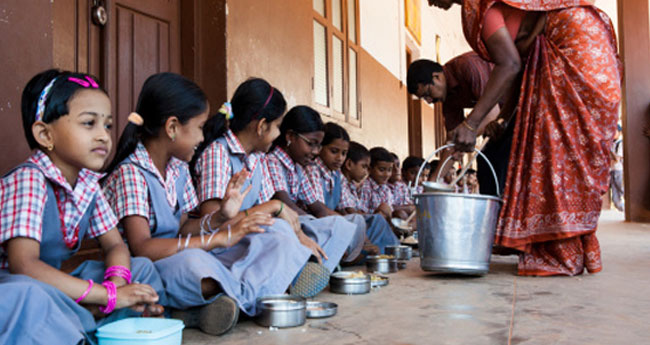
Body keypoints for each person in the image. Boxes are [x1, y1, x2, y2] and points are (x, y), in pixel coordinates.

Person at [428, 0, 622, 276]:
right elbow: (523, 66)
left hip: (574, 49)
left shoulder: (487, 12)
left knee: (553, 151)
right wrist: (503, 120)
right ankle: (567, 247)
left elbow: (510, 65)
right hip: (593, 48)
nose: (429, 2)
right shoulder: (500, 10)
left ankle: (559, 252)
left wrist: (472, 125)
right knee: (566, 155)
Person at [1, 69, 164, 344]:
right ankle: (88, 320)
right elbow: (24, 265)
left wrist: (117, 285)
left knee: (142, 268)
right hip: (14, 287)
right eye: (89, 123)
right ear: (44, 134)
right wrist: (107, 297)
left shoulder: (88, 183)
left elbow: (115, 245)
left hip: (56, 285)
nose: (103, 136)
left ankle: (88, 323)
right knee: (29, 297)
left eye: (108, 125)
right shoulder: (29, 178)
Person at [192, 78, 328, 300]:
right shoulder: (218, 153)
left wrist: (299, 234)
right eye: (277, 127)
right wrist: (275, 207)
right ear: (261, 126)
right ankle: (250, 292)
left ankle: (280, 278)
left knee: (289, 229)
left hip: (245, 239)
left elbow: (267, 211)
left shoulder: (257, 159)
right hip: (220, 245)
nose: (278, 136)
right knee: (280, 233)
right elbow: (211, 224)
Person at [266, 105, 358, 271]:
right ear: (290, 136)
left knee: (338, 224)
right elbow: (285, 203)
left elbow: (316, 206)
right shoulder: (273, 161)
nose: (316, 151)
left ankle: (320, 269)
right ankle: (313, 269)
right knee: (314, 225)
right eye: (311, 144)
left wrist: (326, 223)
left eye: (319, 146)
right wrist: (318, 225)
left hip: (300, 219)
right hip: (285, 221)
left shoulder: (299, 168)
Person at [407, 52, 509, 196]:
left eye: (428, 93)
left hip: (517, 108)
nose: (429, 101)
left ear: (437, 77)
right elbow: (451, 142)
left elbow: (492, 114)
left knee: (500, 161)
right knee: (485, 163)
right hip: (501, 119)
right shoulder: (448, 100)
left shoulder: (467, 67)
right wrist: (434, 181)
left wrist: (465, 134)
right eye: (424, 98)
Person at [306, 122, 399, 253]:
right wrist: (352, 229)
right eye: (334, 151)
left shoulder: (337, 175)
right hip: (320, 222)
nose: (339, 158)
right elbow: (319, 209)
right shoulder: (313, 170)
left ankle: (389, 253)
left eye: (344, 153)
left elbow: (347, 209)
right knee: (357, 223)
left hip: (336, 219)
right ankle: (369, 253)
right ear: (320, 147)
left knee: (373, 220)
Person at [610, 125, 624, 211]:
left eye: (614, 132)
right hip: (612, 171)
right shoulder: (612, 143)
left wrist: (609, 150)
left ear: (620, 132)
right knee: (615, 198)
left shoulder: (620, 144)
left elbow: (616, 159)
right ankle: (624, 210)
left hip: (619, 171)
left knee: (623, 190)